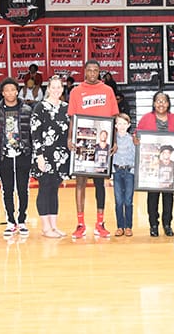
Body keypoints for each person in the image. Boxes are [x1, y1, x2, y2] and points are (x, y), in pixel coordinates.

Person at [66, 60, 119, 239]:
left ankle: (100, 223)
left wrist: (114, 140)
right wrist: (69, 138)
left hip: (102, 140)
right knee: (80, 181)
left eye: (96, 70)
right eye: (89, 70)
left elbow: (113, 117)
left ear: (99, 73)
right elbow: (72, 118)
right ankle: (80, 224)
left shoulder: (107, 90)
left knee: (100, 183)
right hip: (83, 140)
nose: (92, 73)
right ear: (84, 71)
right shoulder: (76, 91)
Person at [0, 78, 34, 237]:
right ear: (2, 93)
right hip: (4, 155)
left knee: (23, 188)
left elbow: (32, 134)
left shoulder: (27, 109)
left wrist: (32, 153)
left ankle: (22, 219)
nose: (10, 93)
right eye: (6, 90)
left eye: (12, 90)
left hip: (23, 154)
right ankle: (10, 220)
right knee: (7, 189)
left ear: (17, 91)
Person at [31, 76, 71, 238]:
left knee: (54, 189)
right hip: (44, 155)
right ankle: (45, 227)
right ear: (48, 89)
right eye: (53, 87)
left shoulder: (66, 108)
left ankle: (54, 226)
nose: (56, 90)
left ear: (62, 89)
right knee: (44, 188)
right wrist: (39, 156)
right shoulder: (40, 107)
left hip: (61, 156)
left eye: (59, 87)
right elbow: (35, 133)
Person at [137, 92, 174, 237]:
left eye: (164, 101)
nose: (161, 104)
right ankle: (153, 224)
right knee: (152, 196)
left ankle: (167, 224)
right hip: (153, 165)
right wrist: (136, 139)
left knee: (168, 196)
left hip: (169, 164)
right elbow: (137, 135)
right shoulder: (146, 118)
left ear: (168, 104)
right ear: (154, 104)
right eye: (158, 101)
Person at [112, 113, 137, 237]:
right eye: (119, 123)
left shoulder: (132, 139)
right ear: (115, 125)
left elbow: (135, 156)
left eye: (124, 123)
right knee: (118, 201)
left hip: (129, 172)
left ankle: (128, 226)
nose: (121, 126)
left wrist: (133, 172)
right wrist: (111, 172)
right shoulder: (113, 139)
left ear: (128, 125)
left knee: (128, 200)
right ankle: (120, 226)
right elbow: (109, 157)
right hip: (117, 172)